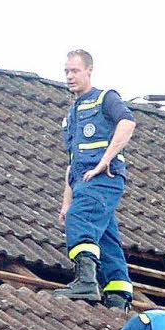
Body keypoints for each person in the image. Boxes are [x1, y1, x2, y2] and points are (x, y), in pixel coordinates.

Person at [55, 49, 136, 310]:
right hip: (83, 181)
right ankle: (118, 293)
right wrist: (66, 203)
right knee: (105, 237)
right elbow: (72, 164)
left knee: (81, 219)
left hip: (103, 178)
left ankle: (86, 282)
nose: (69, 76)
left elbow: (128, 123)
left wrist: (105, 161)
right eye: (66, 71)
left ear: (89, 71)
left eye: (75, 71)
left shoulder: (104, 99)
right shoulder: (72, 116)